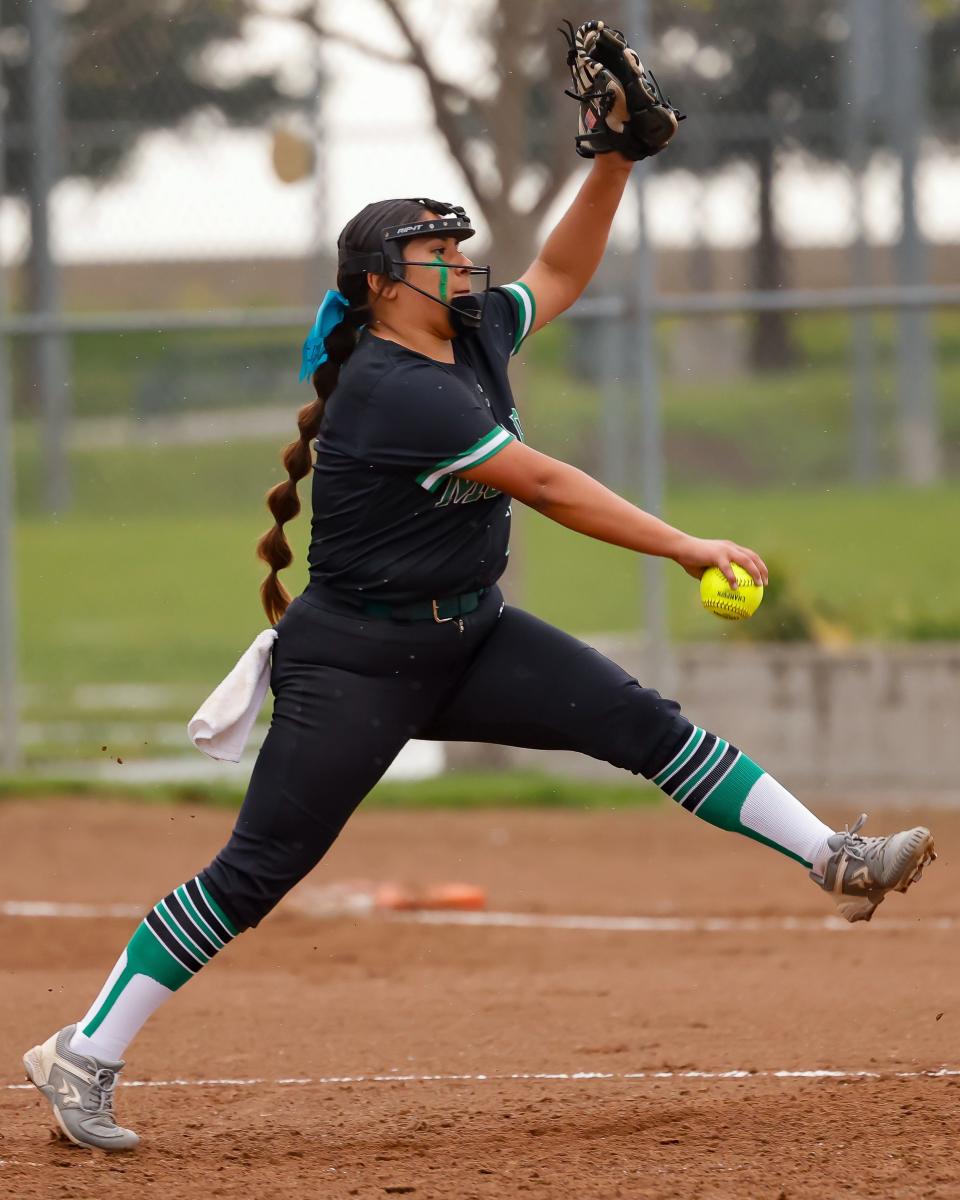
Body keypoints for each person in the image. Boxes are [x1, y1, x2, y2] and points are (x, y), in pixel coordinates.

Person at [23, 155, 935, 1152]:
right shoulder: (392, 387)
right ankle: (85, 1052)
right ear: (381, 283)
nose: (462, 267)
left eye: (461, 249)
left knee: (646, 724)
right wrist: (686, 544)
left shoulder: (476, 334)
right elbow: (543, 483)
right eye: (436, 253)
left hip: (471, 634)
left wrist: (617, 162)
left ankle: (835, 860)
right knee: (257, 870)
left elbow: (565, 270)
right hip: (356, 662)